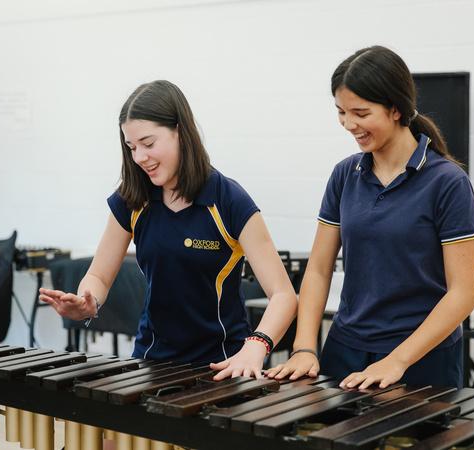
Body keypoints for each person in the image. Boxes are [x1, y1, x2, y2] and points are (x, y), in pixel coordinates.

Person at [40, 80, 297, 381]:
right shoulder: (132, 198)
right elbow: (99, 276)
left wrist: (256, 345)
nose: (139, 157)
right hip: (151, 361)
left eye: (148, 144)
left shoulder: (229, 201)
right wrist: (88, 302)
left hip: (222, 366)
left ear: (180, 132)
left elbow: (283, 294)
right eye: (132, 147)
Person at [266, 46, 474, 390]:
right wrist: (304, 347)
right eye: (341, 112)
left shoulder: (448, 182)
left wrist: (398, 360)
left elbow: (463, 293)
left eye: (360, 113)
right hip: (346, 350)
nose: (349, 124)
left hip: (421, 359)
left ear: (396, 109)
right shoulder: (344, 175)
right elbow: (318, 269)